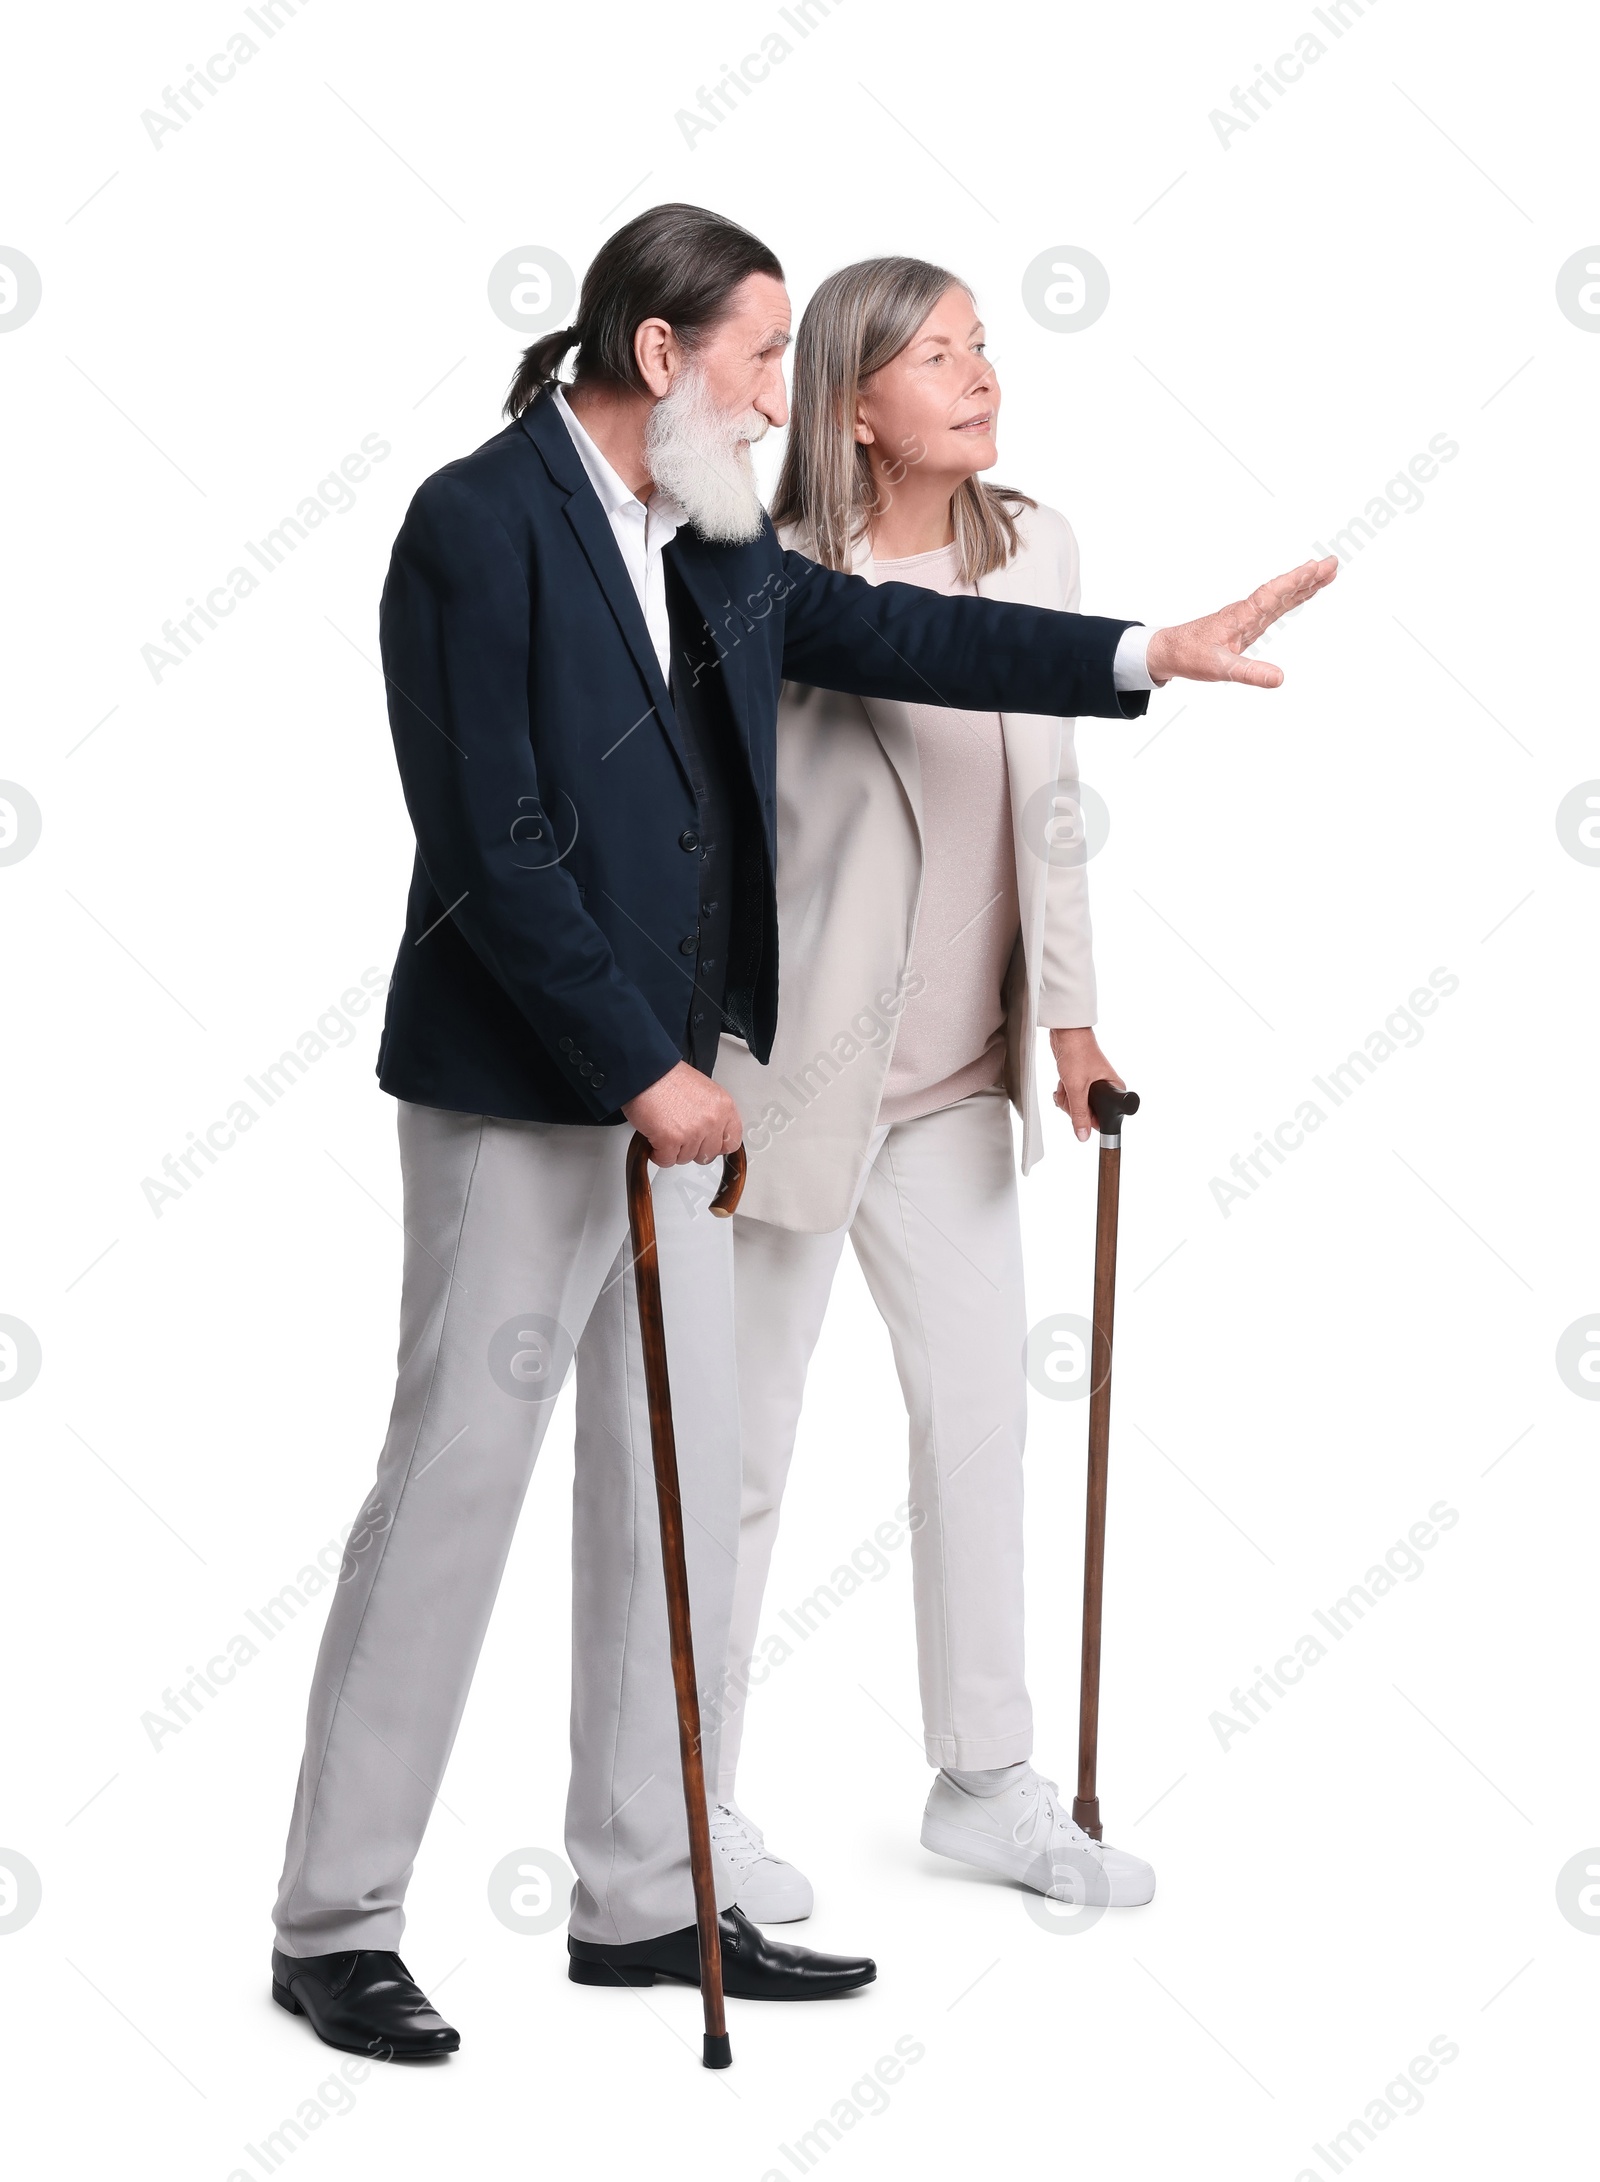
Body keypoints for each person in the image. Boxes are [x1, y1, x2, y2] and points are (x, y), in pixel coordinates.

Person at [267, 201, 1336, 2060]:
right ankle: (335, 1919)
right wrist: (642, 1066)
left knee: (658, 1481)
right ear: (661, 355)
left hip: (692, 1098)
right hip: (535, 1091)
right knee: (457, 1481)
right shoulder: (475, 520)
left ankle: (642, 1891)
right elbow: (493, 840)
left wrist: (1148, 653)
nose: (783, 396)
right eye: (763, 356)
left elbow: (892, 623)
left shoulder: (715, 533)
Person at [709, 257, 1272, 1920]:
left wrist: (1074, 1023)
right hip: (793, 1083)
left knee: (978, 1423)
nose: (981, 375)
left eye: (985, 347)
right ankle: (692, 1803)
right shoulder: (765, 565)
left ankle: (986, 1780)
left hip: (958, 1076)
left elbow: (1050, 799)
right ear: (855, 404)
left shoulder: (1037, 546)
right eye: (937, 355)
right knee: (740, 1449)